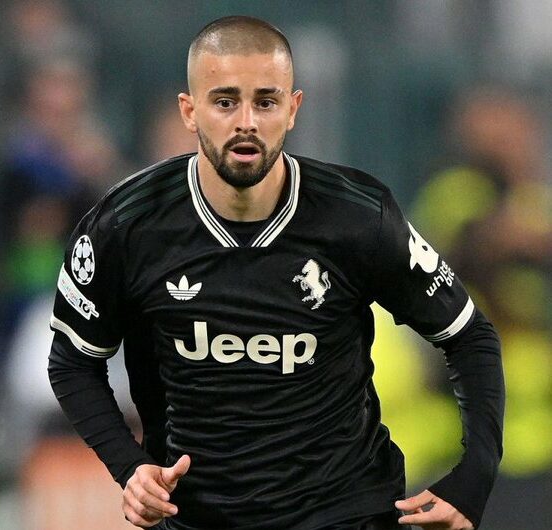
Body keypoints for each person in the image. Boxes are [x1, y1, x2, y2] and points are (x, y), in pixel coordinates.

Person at [48, 16, 505, 530]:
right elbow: (72, 362)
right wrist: (129, 467)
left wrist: (475, 477)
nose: (246, 122)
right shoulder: (127, 225)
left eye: (265, 102)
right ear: (189, 111)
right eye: (225, 102)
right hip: (200, 518)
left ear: (293, 109)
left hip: (345, 514)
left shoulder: (358, 216)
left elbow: (469, 335)